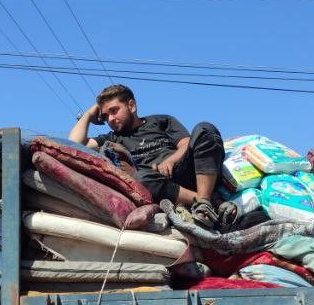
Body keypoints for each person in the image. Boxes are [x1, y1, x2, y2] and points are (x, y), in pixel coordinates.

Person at [69, 84, 227, 228]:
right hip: (159, 185)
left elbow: (186, 144)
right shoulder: (112, 138)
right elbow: (74, 144)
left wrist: (171, 160)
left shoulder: (161, 121)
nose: (110, 119)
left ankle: (204, 201)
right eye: (105, 116)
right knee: (141, 179)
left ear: (131, 106)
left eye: (114, 111)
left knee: (205, 129)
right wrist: (89, 114)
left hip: (188, 171)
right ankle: (207, 202)